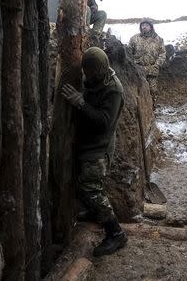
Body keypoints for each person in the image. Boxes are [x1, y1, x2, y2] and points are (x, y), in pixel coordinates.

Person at [61, 46, 127, 257]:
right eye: (86, 72)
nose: (88, 77)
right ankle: (93, 212)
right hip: (87, 143)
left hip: (99, 147)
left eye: (92, 72)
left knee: (91, 188)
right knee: (84, 186)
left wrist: (80, 103)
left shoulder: (113, 89)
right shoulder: (95, 80)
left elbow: (104, 123)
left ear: (101, 68)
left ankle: (116, 233)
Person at [127, 20, 166, 96]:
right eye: (142, 25)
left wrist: (157, 65)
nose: (144, 27)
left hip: (152, 70)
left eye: (146, 25)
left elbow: (162, 54)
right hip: (137, 71)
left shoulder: (159, 39)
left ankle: (152, 107)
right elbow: (128, 54)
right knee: (137, 91)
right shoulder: (134, 39)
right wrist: (133, 66)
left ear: (151, 27)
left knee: (153, 90)